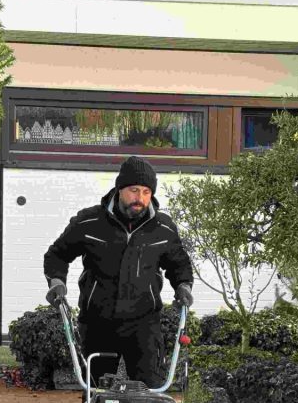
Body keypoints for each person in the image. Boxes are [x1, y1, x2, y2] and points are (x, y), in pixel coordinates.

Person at [43, 156, 194, 388]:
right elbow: (57, 255)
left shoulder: (163, 228)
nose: (140, 198)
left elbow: (179, 264)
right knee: (96, 392)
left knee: (148, 390)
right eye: (134, 190)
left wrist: (183, 286)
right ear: (120, 189)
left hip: (144, 323)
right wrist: (56, 282)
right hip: (98, 322)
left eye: (146, 192)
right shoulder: (89, 222)